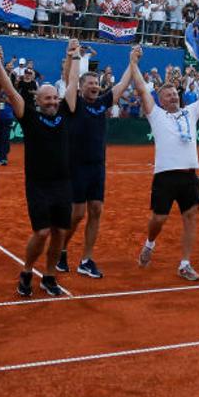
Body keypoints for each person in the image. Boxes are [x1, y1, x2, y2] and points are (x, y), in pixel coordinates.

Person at [130, 46, 199, 281]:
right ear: (161, 100)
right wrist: (134, 63)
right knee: (159, 218)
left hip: (189, 175)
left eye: (175, 93)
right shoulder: (155, 114)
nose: (173, 96)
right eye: (168, 95)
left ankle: (185, 263)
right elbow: (142, 90)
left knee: (190, 217)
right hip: (165, 176)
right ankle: (150, 243)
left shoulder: (191, 111)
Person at [0, 41, 79, 297]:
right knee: (42, 232)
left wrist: (73, 56)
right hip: (38, 184)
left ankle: (50, 276)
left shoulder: (66, 111)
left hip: (63, 183)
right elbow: (10, 91)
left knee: (59, 232)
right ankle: (27, 270)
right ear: (38, 100)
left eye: (55, 97)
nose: (53, 101)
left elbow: (73, 83)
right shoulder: (29, 115)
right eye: (48, 98)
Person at [58, 46, 140, 279]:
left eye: (96, 84)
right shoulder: (73, 104)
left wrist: (132, 62)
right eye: (89, 84)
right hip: (76, 166)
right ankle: (61, 249)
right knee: (77, 214)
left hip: (97, 166)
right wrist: (73, 56)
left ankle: (86, 259)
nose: (94, 86)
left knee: (96, 210)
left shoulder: (102, 103)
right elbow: (70, 79)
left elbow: (122, 85)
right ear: (81, 88)